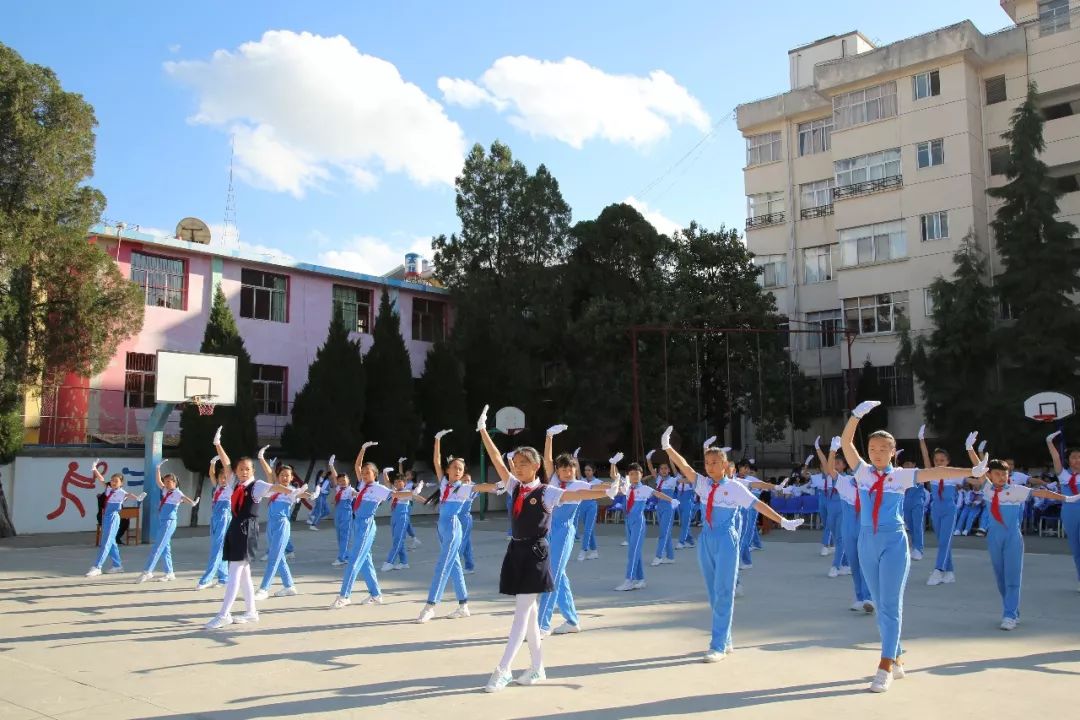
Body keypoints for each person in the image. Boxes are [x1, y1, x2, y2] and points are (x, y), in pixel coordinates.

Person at [841, 401, 987, 693]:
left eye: (883, 449)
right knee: (880, 605)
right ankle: (897, 655)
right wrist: (857, 416)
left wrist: (972, 469)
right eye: (872, 450)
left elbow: (938, 473)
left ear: (893, 452)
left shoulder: (901, 476)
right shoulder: (861, 472)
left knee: (891, 605)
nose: (877, 454)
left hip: (893, 542)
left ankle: (884, 664)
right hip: (866, 542)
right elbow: (846, 441)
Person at [474, 406, 619, 691]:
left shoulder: (547, 491)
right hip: (515, 552)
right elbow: (495, 459)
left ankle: (503, 669)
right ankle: (538, 668)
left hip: (536, 553)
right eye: (515, 463)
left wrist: (606, 491)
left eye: (523, 463)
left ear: (536, 466)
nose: (517, 467)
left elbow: (577, 493)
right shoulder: (515, 486)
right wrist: (482, 430)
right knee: (528, 615)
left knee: (521, 611)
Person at [662, 426, 802, 662]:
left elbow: (758, 505)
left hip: (726, 539)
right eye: (707, 462)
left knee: (724, 591)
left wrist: (783, 521)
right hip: (706, 538)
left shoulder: (735, 487)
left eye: (715, 462)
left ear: (725, 465)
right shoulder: (703, 484)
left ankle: (717, 644)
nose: (710, 466)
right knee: (712, 593)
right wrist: (668, 448)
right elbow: (685, 467)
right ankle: (725, 639)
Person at [969, 453, 1077, 628]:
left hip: (1012, 538)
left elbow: (1041, 492)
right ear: (989, 475)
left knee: (1012, 578)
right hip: (994, 539)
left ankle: (1009, 615)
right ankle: (1012, 611)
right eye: (997, 474)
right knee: (1000, 579)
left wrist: (1066, 498)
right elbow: (978, 466)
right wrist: (970, 449)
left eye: (1005, 474)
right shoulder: (986, 488)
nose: (1002, 477)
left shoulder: (1016, 490)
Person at [204, 429, 297, 630]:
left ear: (252, 471)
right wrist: (218, 444)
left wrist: (294, 492)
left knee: (234, 572)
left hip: (247, 529)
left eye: (248, 469)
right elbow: (226, 464)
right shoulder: (234, 485)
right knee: (244, 572)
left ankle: (224, 614)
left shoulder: (257, 485)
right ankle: (251, 611)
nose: (244, 471)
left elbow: (277, 488)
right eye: (241, 469)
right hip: (235, 527)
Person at [538, 425, 610, 635]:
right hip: (549, 533)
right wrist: (549, 436)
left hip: (564, 533)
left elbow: (597, 489)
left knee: (551, 576)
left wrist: (613, 488)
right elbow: (547, 460)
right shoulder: (553, 481)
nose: (568, 472)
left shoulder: (579, 485)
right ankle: (572, 621)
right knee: (560, 577)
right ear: (558, 470)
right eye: (564, 469)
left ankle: (542, 624)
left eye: (571, 469)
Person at [332, 454, 422, 609]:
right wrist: (363, 449)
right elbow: (357, 465)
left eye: (369, 472)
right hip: (357, 523)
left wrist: (414, 495)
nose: (365, 474)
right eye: (363, 473)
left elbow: (395, 495)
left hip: (366, 525)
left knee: (354, 559)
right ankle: (376, 594)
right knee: (366, 562)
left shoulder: (379, 488)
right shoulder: (362, 486)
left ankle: (344, 595)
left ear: (375, 474)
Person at [417, 429, 473, 623]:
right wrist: (437, 439)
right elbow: (436, 460)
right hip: (441, 527)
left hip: (453, 527)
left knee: (442, 565)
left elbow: (479, 487)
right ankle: (463, 605)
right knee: (455, 565)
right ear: (448, 469)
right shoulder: (443, 483)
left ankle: (431, 605)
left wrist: (498, 486)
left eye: (461, 469)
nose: (458, 471)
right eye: (455, 468)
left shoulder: (463, 487)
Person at [815, 437, 874, 613]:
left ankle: (869, 597)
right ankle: (859, 597)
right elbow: (829, 470)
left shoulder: (870, 485)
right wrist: (833, 450)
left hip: (865, 530)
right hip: (848, 530)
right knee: (854, 565)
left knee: (865, 564)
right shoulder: (844, 482)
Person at [255, 455, 314, 599]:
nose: (284, 477)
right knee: (279, 556)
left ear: (292, 477)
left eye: (287, 475)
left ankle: (264, 588)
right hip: (271, 525)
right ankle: (289, 586)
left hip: (282, 524)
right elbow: (270, 474)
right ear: (278, 476)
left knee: (274, 556)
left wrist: (311, 495)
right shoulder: (275, 488)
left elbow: (303, 494)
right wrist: (261, 458)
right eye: (282, 475)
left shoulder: (292, 490)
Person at [616, 454, 676, 591]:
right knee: (634, 551)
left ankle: (629, 580)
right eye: (631, 474)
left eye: (637, 474)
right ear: (628, 476)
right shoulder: (627, 488)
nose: (634, 476)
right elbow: (614, 478)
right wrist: (613, 464)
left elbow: (658, 494)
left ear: (641, 474)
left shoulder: (644, 489)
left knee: (633, 552)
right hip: (628, 522)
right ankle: (641, 579)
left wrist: (671, 500)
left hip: (638, 522)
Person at [920, 433, 974, 586]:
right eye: (936, 461)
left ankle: (938, 570)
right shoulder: (931, 474)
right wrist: (921, 440)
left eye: (942, 460)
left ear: (948, 461)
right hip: (935, 510)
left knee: (945, 541)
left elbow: (974, 479)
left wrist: (980, 469)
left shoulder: (954, 475)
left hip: (949, 511)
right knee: (943, 542)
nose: (939, 463)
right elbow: (925, 458)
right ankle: (949, 573)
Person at [137, 461, 199, 583]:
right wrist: (158, 469)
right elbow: (158, 481)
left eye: (169, 481)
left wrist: (192, 503)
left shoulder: (177, 492)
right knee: (165, 547)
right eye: (166, 481)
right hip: (162, 521)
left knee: (158, 546)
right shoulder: (165, 491)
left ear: (175, 482)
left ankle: (147, 571)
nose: (166, 482)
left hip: (169, 522)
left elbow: (184, 498)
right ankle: (169, 572)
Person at [86, 462, 145, 577]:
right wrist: (94, 469)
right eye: (112, 480)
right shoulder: (109, 489)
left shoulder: (121, 492)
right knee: (111, 542)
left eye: (116, 481)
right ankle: (118, 566)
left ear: (121, 483)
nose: (113, 482)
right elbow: (101, 479)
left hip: (113, 517)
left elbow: (130, 494)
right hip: (106, 517)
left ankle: (97, 566)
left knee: (106, 542)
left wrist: (138, 498)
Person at [1045, 431, 1080, 591]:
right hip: (1070, 513)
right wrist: (1050, 442)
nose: (1077, 460)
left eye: (1079, 457)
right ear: (1069, 460)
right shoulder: (1064, 475)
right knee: (1075, 547)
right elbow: (1056, 459)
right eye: (1074, 457)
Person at [196, 455, 232, 589]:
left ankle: (207, 578)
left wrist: (224, 461)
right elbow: (211, 473)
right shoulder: (216, 487)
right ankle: (223, 578)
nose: (223, 480)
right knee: (218, 547)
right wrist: (212, 462)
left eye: (226, 478)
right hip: (215, 517)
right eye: (221, 477)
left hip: (224, 516)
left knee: (217, 548)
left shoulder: (230, 488)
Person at [383, 469, 424, 571]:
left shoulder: (406, 492)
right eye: (395, 482)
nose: (397, 483)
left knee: (398, 540)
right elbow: (387, 483)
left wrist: (427, 501)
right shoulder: (394, 491)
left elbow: (416, 496)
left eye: (399, 481)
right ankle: (404, 562)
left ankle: (390, 562)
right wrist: (384, 473)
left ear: (404, 483)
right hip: (393, 518)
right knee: (398, 540)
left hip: (402, 518)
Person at [647, 451, 678, 565]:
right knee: (666, 532)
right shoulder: (658, 479)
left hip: (669, 508)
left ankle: (659, 556)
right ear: (659, 471)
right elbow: (650, 469)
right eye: (661, 469)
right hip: (659, 507)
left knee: (663, 533)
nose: (664, 470)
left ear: (669, 470)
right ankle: (670, 557)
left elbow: (679, 474)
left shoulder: (673, 480)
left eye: (666, 468)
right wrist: (649, 458)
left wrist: (671, 460)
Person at [330, 460, 356, 567]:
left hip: (346, 513)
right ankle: (346, 556)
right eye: (340, 481)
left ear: (348, 480)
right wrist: (331, 465)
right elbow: (335, 476)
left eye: (344, 480)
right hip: (338, 513)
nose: (342, 482)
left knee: (345, 536)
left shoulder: (351, 490)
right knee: (339, 536)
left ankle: (341, 558)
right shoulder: (338, 488)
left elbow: (357, 494)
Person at [576, 458, 602, 561]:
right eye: (586, 470)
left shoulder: (598, 482)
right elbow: (577, 471)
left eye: (589, 470)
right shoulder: (581, 480)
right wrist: (575, 458)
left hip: (592, 505)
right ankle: (594, 551)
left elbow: (609, 488)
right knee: (589, 530)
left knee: (587, 530)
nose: (587, 472)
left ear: (593, 471)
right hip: (582, 505)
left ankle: (583, 550)